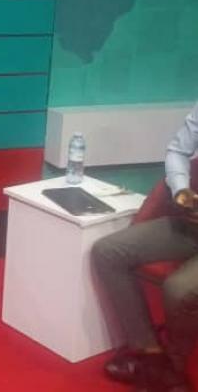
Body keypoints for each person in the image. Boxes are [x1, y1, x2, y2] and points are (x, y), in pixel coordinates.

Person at [93, 101, 198, 392]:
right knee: (108, 252)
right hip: (191, 222)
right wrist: (181, 191)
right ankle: (151, 355)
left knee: (178, 289)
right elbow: (178, 151)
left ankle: (172, 364)